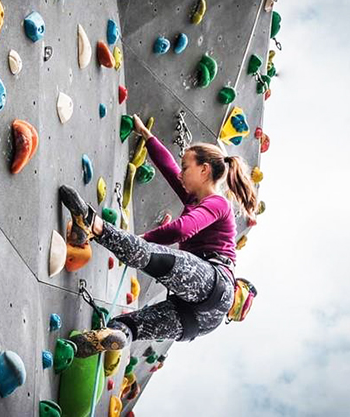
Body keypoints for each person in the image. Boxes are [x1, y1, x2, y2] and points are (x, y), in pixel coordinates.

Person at [59, 114, 258, 358]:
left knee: (149, 255)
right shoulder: (194, 198)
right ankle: (112, 335)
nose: (181, 173)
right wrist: (147, 135)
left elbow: (181, 229)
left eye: (186, 167)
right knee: (132, 326)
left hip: (214, 284)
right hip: (201, 322)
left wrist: (141, 239)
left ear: (204, 170)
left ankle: (90, 223)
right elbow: (168, 168)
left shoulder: (218, 203)